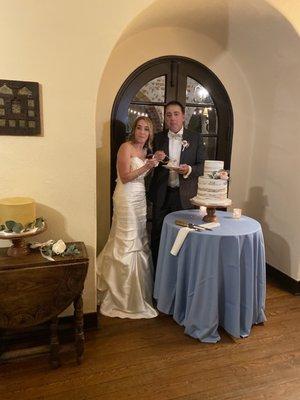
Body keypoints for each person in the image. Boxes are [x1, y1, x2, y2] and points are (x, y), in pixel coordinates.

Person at [97, 116, 159, 319]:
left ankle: (138, 292)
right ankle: (122, 294)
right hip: (125, 197)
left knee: (139, 240)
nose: (142, 132)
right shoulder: (126, 147)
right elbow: (124, 176)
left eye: (146, 129)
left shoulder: (144, 151)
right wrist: (147, 166)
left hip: (139, 198)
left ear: (150, 133)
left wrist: (154, 161)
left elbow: (141, 176)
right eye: (139, 128)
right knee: (126, 241)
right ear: (134, 130)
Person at [149, 100, 206, 267]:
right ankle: (158, 275)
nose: (172, 118)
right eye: (168, 115)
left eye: (176, 114)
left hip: (185, 196)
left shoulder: (195, 138)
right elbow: (149, 162)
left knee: (183, 236)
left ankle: (180, 273)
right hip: (162, 194)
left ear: (183, 117)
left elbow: (202, 166)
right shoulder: (158, 138)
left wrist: (188, 169)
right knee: (158, 235)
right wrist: (155, 159)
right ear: (165, 118)